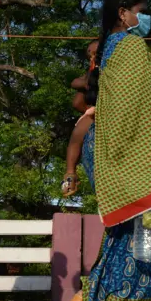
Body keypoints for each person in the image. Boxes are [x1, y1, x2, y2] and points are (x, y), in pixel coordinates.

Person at [71, 0, 151, 301]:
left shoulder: (110, 48)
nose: (145, 17)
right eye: (142, 11)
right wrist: (139, 162)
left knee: (123, 234)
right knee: (141, 238)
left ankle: (93, 296)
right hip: (130, 156)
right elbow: (131, 111)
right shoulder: (129, 47)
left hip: (116, 153)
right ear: (124, 13)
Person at [62, 40, 99, 197]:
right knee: (77, 136)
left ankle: (70, 173)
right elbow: (74, 83)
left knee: (78, 135)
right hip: (92, 109)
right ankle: (70, 173)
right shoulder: (90, 71)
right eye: (90, 54)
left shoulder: (113, 66)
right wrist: (86, 83)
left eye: (95, 52)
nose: (92, 56)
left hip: (109, 107)